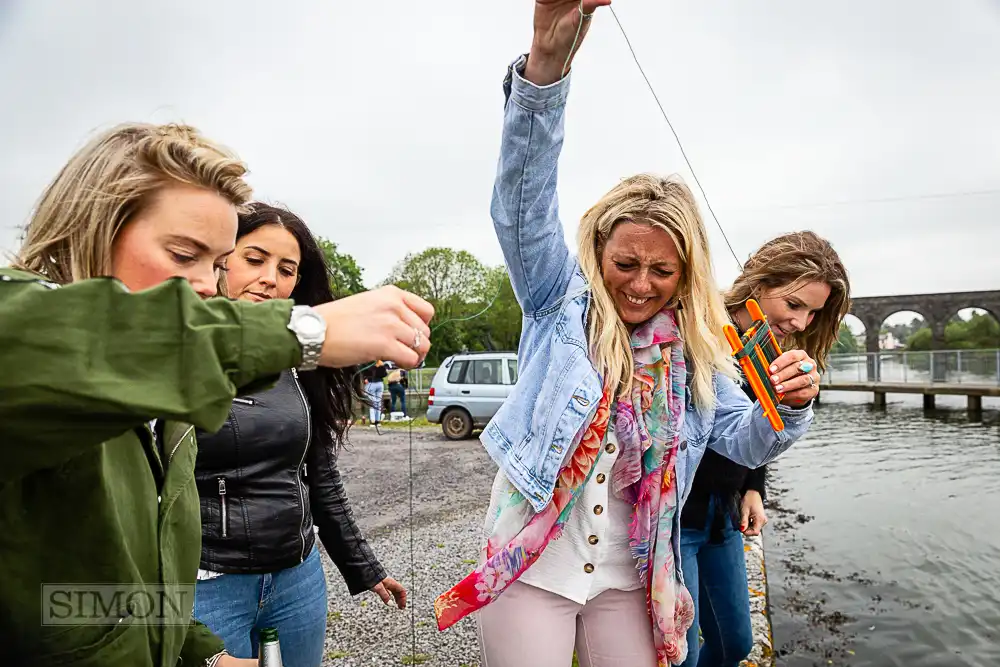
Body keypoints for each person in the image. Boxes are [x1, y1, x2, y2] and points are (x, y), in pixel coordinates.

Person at [433, 3, 822, 667]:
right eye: (626, 263)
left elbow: (744, 437)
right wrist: (545, 69)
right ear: (598, 253)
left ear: (686, 272)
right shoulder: (557, 298)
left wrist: (791, 405)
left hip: (635, 575)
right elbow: (520, 204)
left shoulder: (700, 351)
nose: (641, 283)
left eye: (661, 270)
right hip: (530, 566)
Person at [0, 122, 433, 667]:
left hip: (289, 577)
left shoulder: (163, 401)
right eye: (184, 255)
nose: (207, 284)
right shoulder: (21, 328)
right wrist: (301, 332)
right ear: (94, 227)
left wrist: (197, 650)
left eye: (216, 263)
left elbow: (92, 591)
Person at [192, 203, 408, 667]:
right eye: (255, 259)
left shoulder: (300, 363)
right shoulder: (169, 354)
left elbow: (319, 477)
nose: (270, 278)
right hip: (205, 587)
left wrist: (362, 565)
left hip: (296, 581)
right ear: (220, 260)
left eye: (286, 269)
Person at [679, 231, 850, 667]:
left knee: (736, 644)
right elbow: (725, 424)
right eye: (794, 305)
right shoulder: (697, 330)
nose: (801, 323)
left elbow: (757, 428)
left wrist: (754, 487)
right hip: (676, 519)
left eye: (813, 312)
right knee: (680, 650)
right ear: (759, 283)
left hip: (724, 514)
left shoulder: (772, 347)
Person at [362, 359, 388, 426]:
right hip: (380, 384)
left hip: (371, 383)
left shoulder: (367, 364)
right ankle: (377, 421)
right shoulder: (381, 363)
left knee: (372, 403)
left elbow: (363, 373)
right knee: (378, 402)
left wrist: (365, 379)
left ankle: (372, 421)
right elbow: (385, 374)